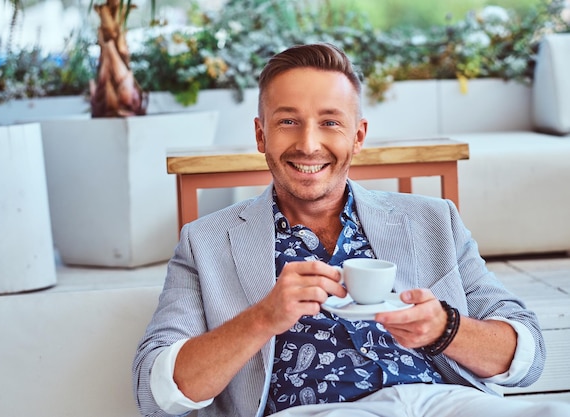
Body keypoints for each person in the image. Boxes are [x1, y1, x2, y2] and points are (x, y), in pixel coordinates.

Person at [133, 43, 569, 417]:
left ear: (358, 136)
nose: (308, 144)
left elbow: (527, 354)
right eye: (288, 121)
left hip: (443, 402)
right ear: (261, 134)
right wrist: (263, 318)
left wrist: (444, 329)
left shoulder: (434, 220)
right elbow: (154, 393)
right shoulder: (205, 242)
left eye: (330, 122)